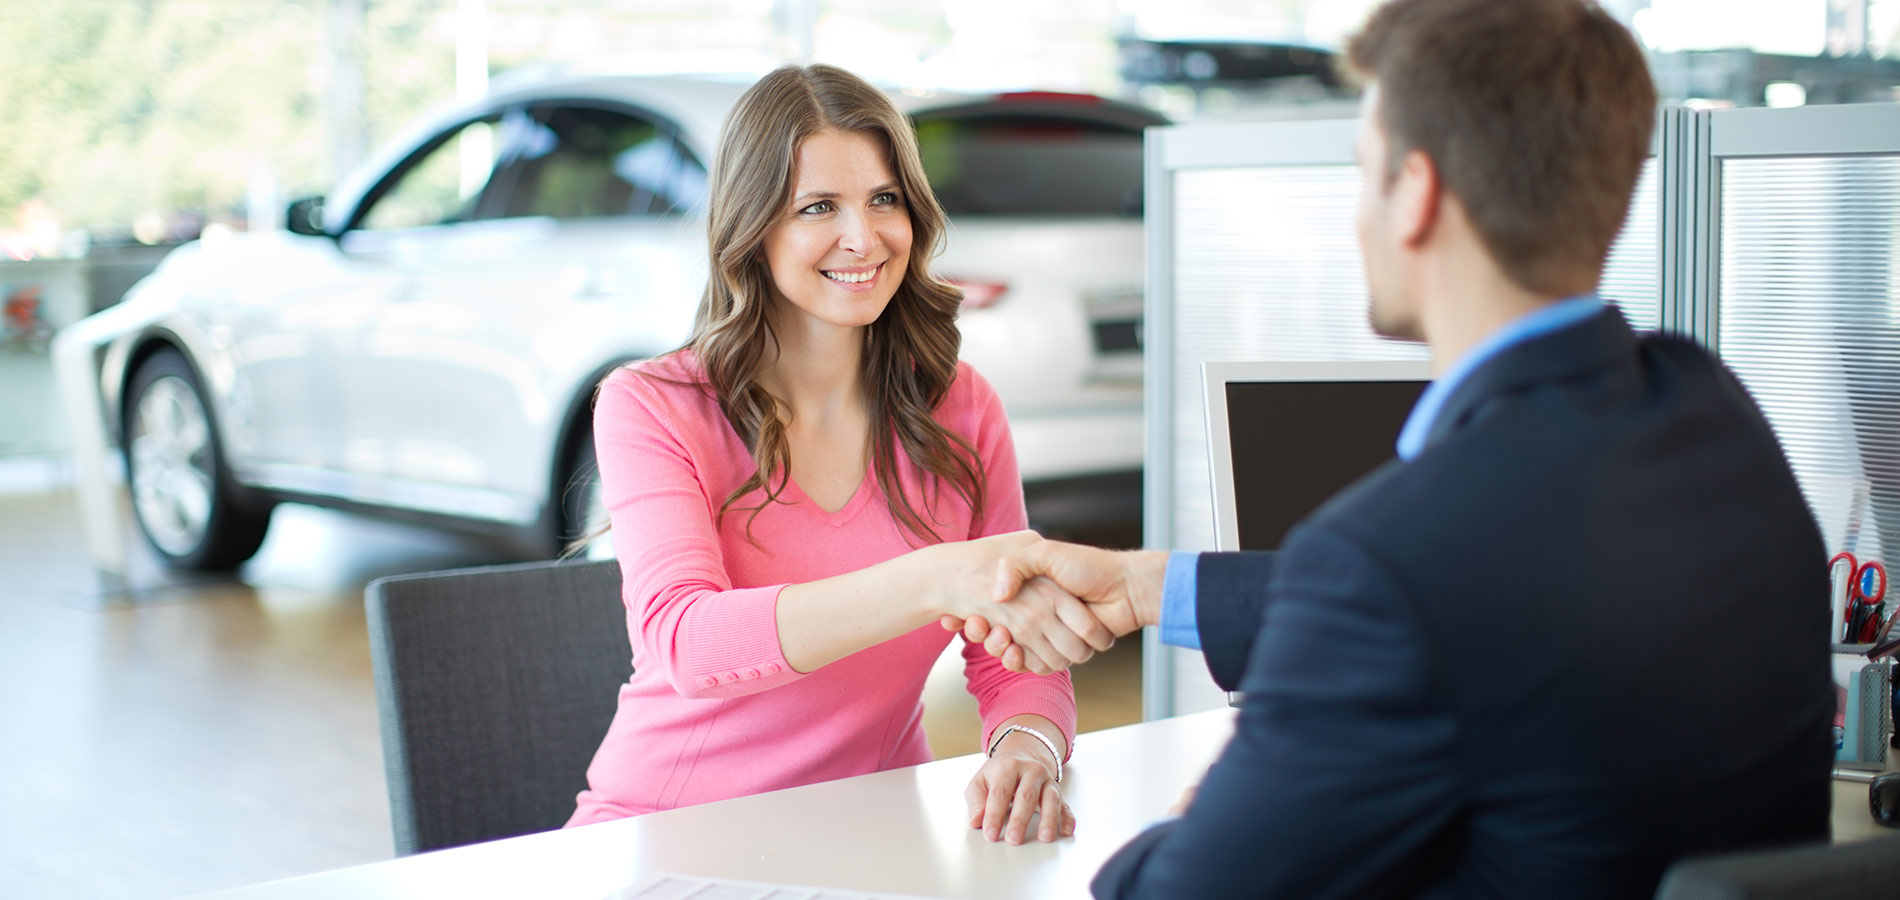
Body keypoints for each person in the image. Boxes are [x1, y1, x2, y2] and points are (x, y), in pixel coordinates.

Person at [955, 1, 1836, 896]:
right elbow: (1486, 589)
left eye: (1362, 172)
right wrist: (1153, 588)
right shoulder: (1711, 411)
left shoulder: (1391, 560)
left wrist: (1199, 824)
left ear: (1414, 194)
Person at [566, 64, 1116, 846]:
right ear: (753, 228)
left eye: (884, 199)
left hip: (877, 831)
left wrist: (1026, 745)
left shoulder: (960, 406)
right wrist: (937, 579)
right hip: (673, 832)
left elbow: (1013, 650)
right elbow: (688, 641)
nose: (863, 238)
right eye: (818, 207)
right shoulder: (653, 404)